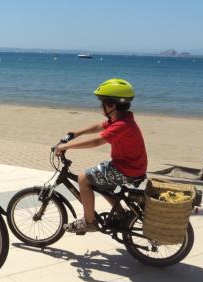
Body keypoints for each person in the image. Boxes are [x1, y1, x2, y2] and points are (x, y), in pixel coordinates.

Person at [54, 78, 147, 234]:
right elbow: (100, 126)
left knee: (83, 178)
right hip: (128, 166)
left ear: (112, 105)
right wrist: (77, 133)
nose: (100, 106)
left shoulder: (121, 126)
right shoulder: (122, 118)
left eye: (102, 102)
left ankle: (89, 222)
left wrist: (66, 146)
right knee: (101, 180)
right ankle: (121, 213)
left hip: (127, 169)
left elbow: (97, 141)